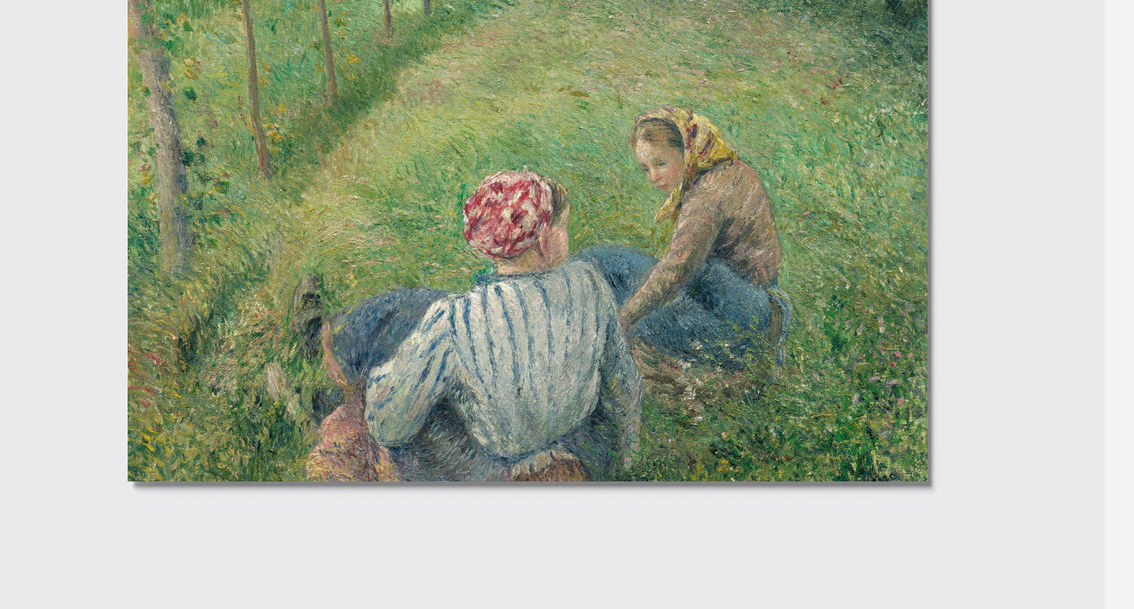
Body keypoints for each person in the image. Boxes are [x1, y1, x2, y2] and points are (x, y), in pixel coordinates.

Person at [297, 170, 643, 483]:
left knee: (409, 334)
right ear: (543, 240)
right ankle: (335, 356)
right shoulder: (590, 283)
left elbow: (389, 426)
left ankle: (335, 369)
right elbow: (623, 383)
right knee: (417, 314)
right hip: (576, 443)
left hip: (489, 468)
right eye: (564, 227)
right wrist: (626, 452)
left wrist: (379, 387)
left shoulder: (455, 319)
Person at [579, 107, 793, 371]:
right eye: (645, 168)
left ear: (686, 151)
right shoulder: (730, 170)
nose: (654, 177)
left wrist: (625, 319)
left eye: (661, 163)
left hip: (739, 315)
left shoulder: (706, 196)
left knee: (624, 301)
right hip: (746, 295)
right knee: (604, 261)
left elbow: (676, 270)